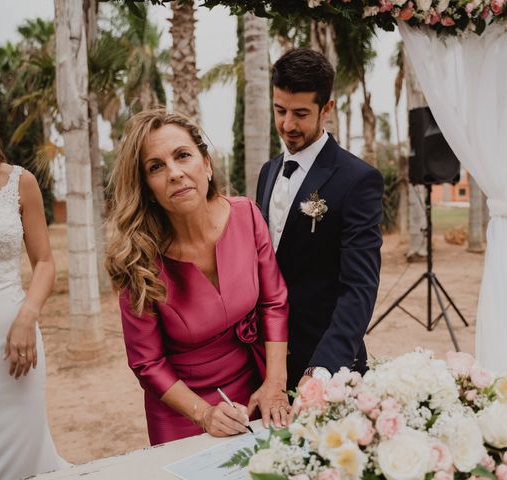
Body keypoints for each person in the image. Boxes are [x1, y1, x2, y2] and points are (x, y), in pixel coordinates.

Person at [106, 109, 290, 444]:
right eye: (156, 167)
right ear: (147, 188)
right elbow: (147, 362)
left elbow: (274, 302)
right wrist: (203, 413)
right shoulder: (138, 258)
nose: (174, 173)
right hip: (182, 410)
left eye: (183, 156)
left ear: (206, 164)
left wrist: (275, 384)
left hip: (256, 388)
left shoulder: (246, 215)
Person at [256, 48, 384, 392]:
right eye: (279, 110)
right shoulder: (267, 172)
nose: (287, 125)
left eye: (300, 113)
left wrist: (324, 367)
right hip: (269, 361)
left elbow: (360, 287)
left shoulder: (358, 180)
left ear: (326, 108)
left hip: (326, 361)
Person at [0, 61, 65, 479]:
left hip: (14, 352)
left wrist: (28, 314)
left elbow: (44, 261)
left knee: (23, 461)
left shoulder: (19, 182)